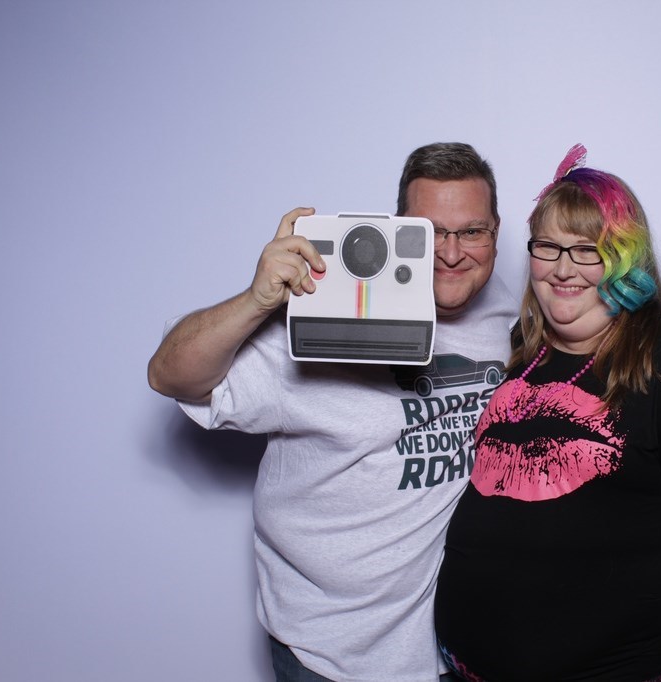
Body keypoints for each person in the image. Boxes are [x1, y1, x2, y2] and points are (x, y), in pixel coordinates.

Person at [148, 142, 518, 682]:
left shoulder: (501, 308)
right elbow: (169, 375)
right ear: (400, 231)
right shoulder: (323, 311)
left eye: (472, 232)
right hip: (329, 650)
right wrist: (256, 300)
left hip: (450, 646)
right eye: (432, 232)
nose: (451, 253)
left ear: (496, 233)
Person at [434, 144, 661, 682]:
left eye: (586, 250)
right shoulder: (519, 349)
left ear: (624, 258)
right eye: (548, 247)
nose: (562, 269)